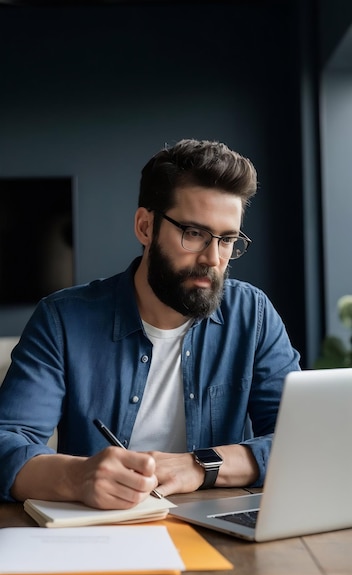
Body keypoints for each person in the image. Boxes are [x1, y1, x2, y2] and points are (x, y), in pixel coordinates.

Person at [0, 139, 300, 509]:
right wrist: (78, 477)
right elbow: (6, 441)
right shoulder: (62, 319)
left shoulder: (252, 315)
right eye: (194, 234)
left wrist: (199, 465)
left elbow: (298, 440)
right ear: (145, 227)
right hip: (99, 530)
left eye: (227, 240)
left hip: (219, 529)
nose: (212, 258)